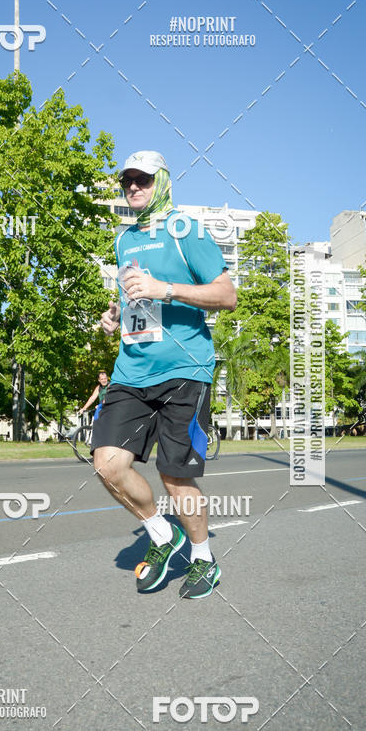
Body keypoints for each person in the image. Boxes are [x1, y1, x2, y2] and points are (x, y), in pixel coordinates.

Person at [92, 150, 237, 599]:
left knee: (174, 475)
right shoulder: (123, 240)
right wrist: (116, 313)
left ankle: (202, 558)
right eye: (127, 181)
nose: (133, 187)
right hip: (131, 370)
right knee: (108, 465)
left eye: (143, 179)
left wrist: (166, 289)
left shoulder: (185, 230)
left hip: (184, 368)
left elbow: (227, 295)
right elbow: (137, 299)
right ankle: (161, 534)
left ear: (164, 182)